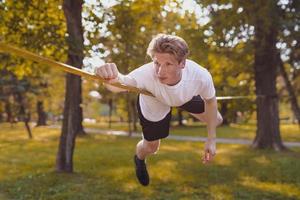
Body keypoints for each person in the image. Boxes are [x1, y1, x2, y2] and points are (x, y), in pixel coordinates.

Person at [95, 34, 223, 186]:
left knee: (217, 120)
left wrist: (211, 140)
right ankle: (139, 159)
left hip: (184, 96)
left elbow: (210, 100)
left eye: (168, 64)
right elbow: (120, 84)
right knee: (152, 147)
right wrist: (109, 78)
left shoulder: (200, 76)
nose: (160, 72)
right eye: (157, 63)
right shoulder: (146, 74)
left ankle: (178, 101)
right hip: (154, 99)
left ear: (182, 63)